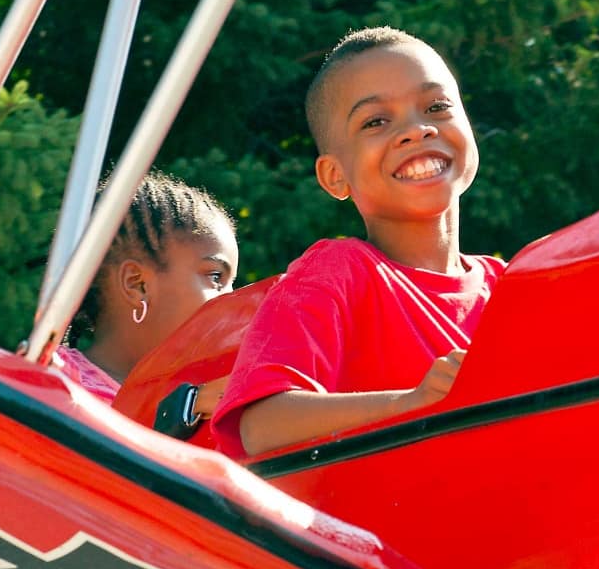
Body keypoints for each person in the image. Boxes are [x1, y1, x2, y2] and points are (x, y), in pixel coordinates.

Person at [212, 27, 503, 458]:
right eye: (376, 122)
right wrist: (410, 405)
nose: (416, 130)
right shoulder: (337, 271)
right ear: (335, 176)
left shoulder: (512, 286)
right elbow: (262, 422)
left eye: (436, 106)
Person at [55, 170, 239, 403]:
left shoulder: (199, 402)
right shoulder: (54, 383)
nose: (232, 297)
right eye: (215, 277)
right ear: (137, 285)